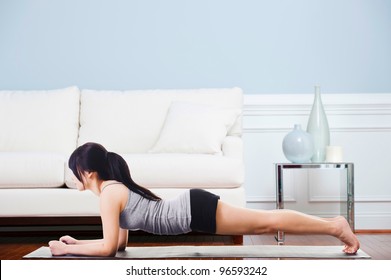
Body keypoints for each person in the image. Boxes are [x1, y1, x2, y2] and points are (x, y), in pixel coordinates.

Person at [48, 142, 360, 257]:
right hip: (193, 208)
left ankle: (335, 226)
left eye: (76, 171)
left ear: (87, 172)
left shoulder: (110, 193)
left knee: (267, 222)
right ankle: (333, 226)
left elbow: (106, 249)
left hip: (194, 211)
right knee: (266, 222)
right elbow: (117, 246)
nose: (74, 177)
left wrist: (67, 250)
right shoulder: (115, 191)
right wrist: (75, 245)